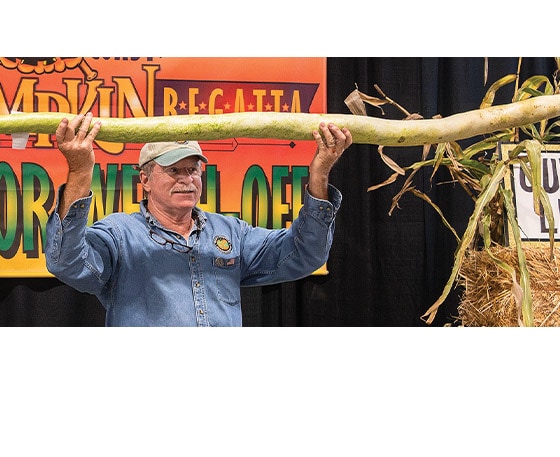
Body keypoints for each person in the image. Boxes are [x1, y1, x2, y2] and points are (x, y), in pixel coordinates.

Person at [45, 112, 352, 326]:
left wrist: (320, 173)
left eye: (193, 169)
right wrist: (81, 171)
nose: (187, 179)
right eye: (173, 170)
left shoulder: (231, 233)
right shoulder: (119, 235)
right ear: (146, 179)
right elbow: (67, 263)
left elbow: (304, 254)